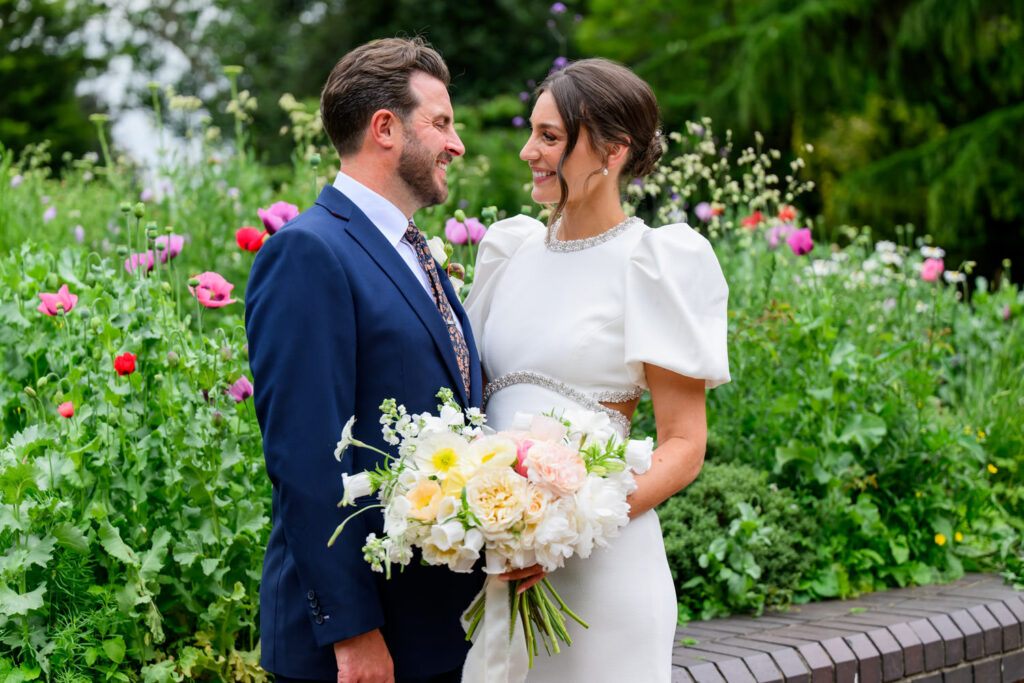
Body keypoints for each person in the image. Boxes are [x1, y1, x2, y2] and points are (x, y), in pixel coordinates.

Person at [463, 58, 730, 681]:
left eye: (551, 137)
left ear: (613, 149)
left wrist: (556, 530)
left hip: (601, 575)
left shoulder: (655, 261)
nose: (529, 150)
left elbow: (685, 447)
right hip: (498, 568)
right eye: (533, 131)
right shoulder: (509, 250)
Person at [245, 37, 484, 683]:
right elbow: (304, 458)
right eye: (441, 122)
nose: (455, 143)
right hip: (356, 646)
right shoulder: (309, 252)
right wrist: (353, 632)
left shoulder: (416, 251)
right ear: (385, 128)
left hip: (433, 627)